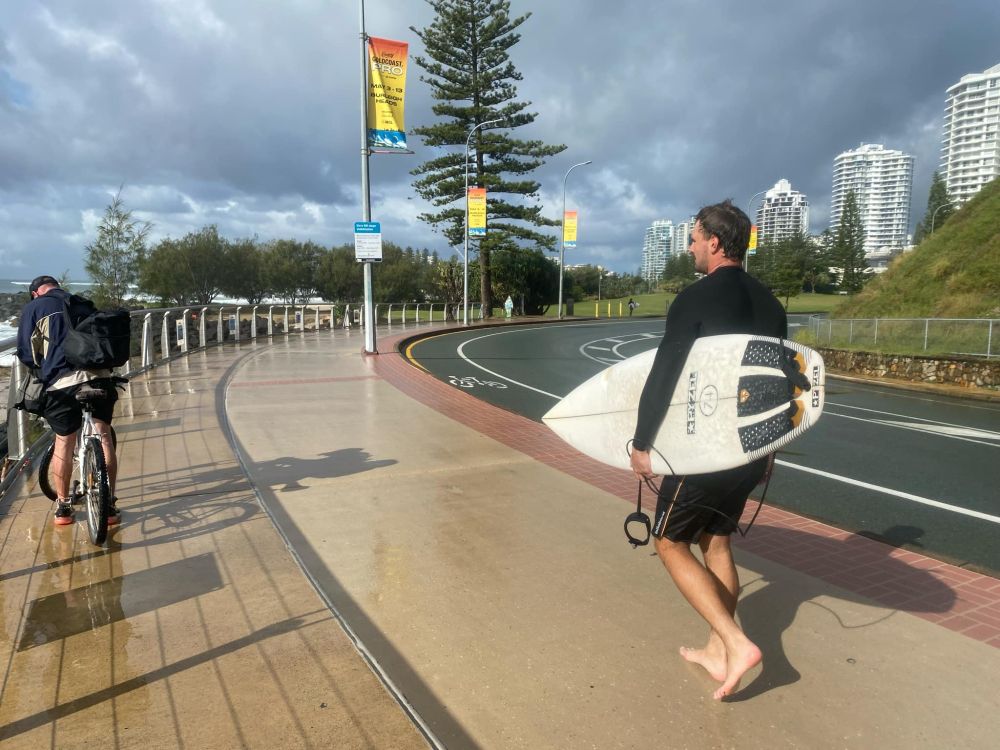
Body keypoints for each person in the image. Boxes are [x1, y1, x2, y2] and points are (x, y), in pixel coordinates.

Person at [629, 200, 786, 700]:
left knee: (668, 540)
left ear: (715, 242)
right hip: (750, 450)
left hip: (705, 448)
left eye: (695, 237)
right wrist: (770, 452)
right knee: (716, 542)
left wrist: (643, 441)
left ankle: (737, 642)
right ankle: (719, 650)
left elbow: (665, 373)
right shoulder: (771, 304)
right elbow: (777, 385)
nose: (691, 245)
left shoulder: (694, 299)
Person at [16, 275, 121, 527]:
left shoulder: (34, 308)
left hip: (62, 384)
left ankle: (63, 508)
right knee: (103, 435)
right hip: (99, 378)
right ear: (58, 287)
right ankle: (108, 506)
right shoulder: (83, 303)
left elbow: (26, 353)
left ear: (35, 293)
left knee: (64, 441)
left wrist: (42, 366)